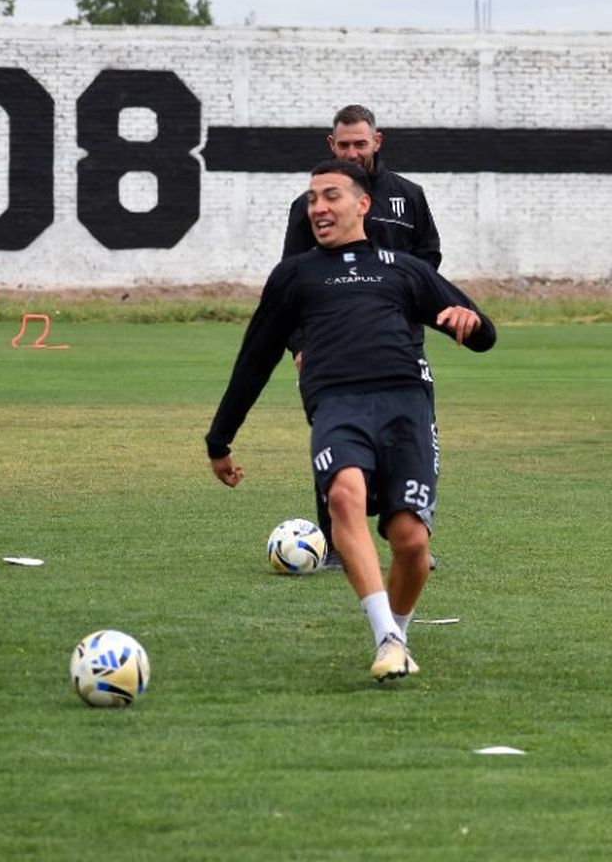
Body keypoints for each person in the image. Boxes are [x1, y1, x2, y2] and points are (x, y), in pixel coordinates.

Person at [206, 159, 495, 681]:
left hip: (406, 406)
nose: (319, 207)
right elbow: (255, 358)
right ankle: (385, 636)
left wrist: (469, 324)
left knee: (409, 540)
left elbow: (482, 332)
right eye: (313, 198)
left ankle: (399, 634)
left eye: (331, 196)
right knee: (344, 495)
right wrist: (219, 439)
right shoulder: (295, 276)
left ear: (363, 204)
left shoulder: (403, 268)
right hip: (338, 406)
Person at [282, 104, 442, 570]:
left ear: (377, 142)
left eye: (360, 143)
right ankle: (334, 545)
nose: (353, 152)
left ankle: (408, 541)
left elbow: (429, 262)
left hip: (398, 349)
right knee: (335, 441)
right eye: (343, 145)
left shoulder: (408, 197)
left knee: (407, 439)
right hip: (332, 350)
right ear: (331, 145)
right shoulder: (309, 205)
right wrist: (299, 345)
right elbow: (289, 282)